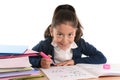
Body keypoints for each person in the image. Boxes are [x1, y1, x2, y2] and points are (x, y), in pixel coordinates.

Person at [29, 4, 107, 68]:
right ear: (52, 31)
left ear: (75, 32)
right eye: (60, 34)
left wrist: (75, 61)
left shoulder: (80, 43)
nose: (65, 41)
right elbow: (29, 57)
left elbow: (101, 58)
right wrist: (40, 62)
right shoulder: (45, 44)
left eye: (70, 34)